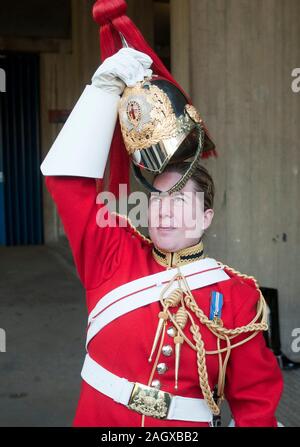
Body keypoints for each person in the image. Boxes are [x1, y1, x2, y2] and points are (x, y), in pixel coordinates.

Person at [41, 49, 283, 427]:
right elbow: (66, 184)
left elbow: (256, 406)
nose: (165, 210)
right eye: (157, 199)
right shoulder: (114, 252)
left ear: (207, 217)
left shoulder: (238, 297)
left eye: (182, 200)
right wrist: (101, 95)